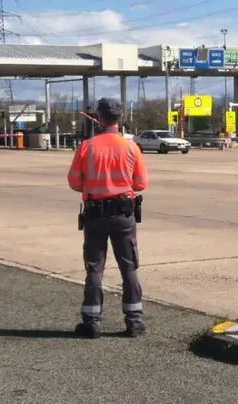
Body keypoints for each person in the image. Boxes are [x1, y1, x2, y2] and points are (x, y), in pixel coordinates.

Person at [66, 98, 149, 339]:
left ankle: (91, 322)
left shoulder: (87, 147)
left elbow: (73, 181)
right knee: (129, 267)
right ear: (119, 118)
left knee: (95, 269)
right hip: (123, 215)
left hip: (95, 214)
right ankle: (133, 322)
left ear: (100, 118)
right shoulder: (131, 147)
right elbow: (141, 183)